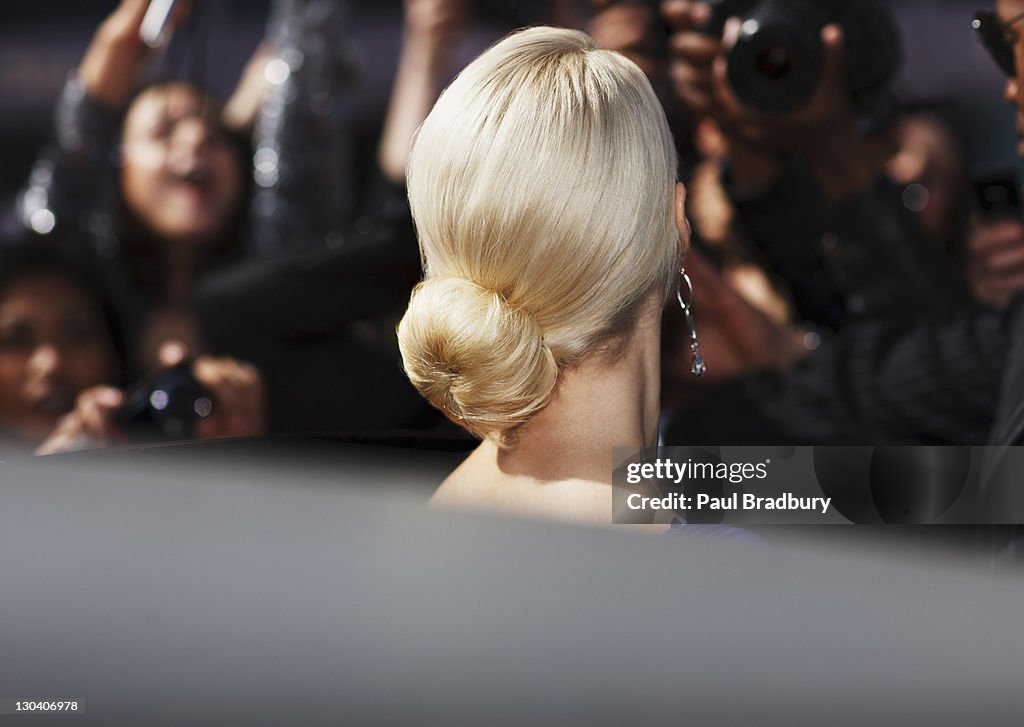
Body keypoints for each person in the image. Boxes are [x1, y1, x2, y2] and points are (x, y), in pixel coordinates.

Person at [395, 26, 794, 524]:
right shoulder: (694, 545)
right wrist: (793, 352)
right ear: (678, 221)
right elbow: (898, 489)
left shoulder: (455, 506)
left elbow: (887, 485)